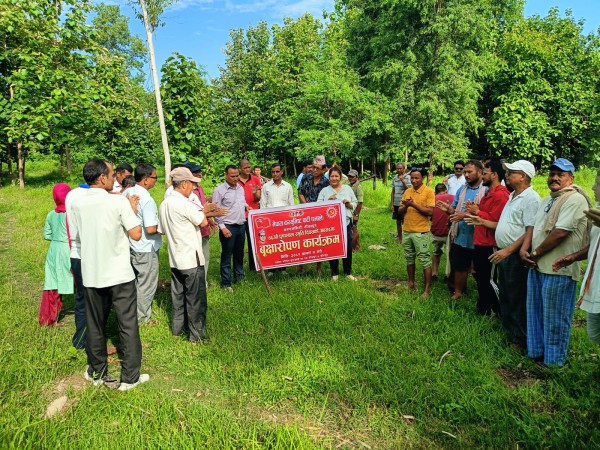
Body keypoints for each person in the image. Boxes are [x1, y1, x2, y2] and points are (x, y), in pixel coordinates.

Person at [70, 158, 148, 391]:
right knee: (127, 324)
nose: (115, 179)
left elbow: (77, 236)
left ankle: (97, 372)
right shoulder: (119, 202)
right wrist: (132, 212)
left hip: (92, 271)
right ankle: (130, 377)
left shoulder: (77, 204)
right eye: (113, 175)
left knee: (95, 323)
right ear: (102, 178)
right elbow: (135, 234)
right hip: (119, 273)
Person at [520, 158, 591, 367]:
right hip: (539, 266)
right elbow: (535, 228)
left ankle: (553, 363)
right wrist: (526, 251)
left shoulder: (574, 199)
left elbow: (561, 232)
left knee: (556, 319)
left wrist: (534, 254)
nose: (555, 178)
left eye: (561, 174)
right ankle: (537, 353)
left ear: (571, 178)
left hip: (558, 269)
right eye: (552, 174)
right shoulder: (548, 199)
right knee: (537, 314)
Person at [488, 160, 541, 350]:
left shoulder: (531, 199)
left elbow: (530, 230)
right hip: (504, 253)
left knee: (517, 296)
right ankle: (509, 330)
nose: (507, 174)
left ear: (523, 176)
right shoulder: (513, 195)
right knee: (507, 293)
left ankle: (520, 338)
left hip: (513, 255)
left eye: (512, 172)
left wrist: (509, 250)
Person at [159, 168, 209, 343]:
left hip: (175, 258)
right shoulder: (184, 204)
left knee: (178, 297)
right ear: (185, 184)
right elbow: (202, 221)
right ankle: (197, 336)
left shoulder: (164, 203)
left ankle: (177, 329)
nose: (193, 189)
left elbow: (162, 230)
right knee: (196, 299)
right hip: (190, 258)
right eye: (192, 185)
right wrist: (206, 210)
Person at [552, 176, 599, 344]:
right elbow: (594, 245)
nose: (593, 188)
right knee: (595, 336)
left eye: (597, 184)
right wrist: (573, 257)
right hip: (595, 282)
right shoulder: (597, 210)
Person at [464, 158, 510, 315]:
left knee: (489, 280)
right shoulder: (489, 193)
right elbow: (484, 213)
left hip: (490, 243)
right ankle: (483, 309)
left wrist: (477, 212)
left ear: (495, 175)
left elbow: (497, 221)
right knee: (481, 278)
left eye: (485, 173)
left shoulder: (502, 195)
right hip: (480, 241)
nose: (482, 176)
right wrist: (474, 209)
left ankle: (501, 313)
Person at [436, 160, 485, 300]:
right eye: (465, 172)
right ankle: (458, 291)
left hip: (478, 237)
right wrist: (448, 210)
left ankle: (484, 292)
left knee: (479, 268)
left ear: (480, 172)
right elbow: (454, 211)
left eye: (470, 172)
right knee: (459, 265)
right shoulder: (462, 189)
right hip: (461, 235)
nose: (466, 175)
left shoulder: (485, 190)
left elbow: (486, 214)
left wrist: (466, 215)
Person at [122, 163, 162, 325]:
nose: (155, 181)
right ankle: (142, 318)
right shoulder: (147, 199)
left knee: (135, 282)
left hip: (130, 245)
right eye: (154, 178)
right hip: (146, 247)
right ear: (146, 180)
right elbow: (151, 228)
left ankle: (133, 312)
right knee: (146, 284)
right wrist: (167, 228)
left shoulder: (127, 192)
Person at [398, 168, 435, 298]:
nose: (413, 180)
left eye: (416, 178)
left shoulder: (429, 192)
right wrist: (406, 206)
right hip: (407, 230)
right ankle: (411, 283)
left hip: (421, 232)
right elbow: (400, 211)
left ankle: (426, 290)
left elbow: (430, 212)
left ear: (423, 178)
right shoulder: (408, 191)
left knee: (425, 260)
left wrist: (413, 204)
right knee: (409, 258)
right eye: (412, 178)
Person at [39, 183, 73, 326]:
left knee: (52, 285)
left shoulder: (51, 214)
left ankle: (48, 318)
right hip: (67, 249)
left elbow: (46, 235)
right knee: (76, 279)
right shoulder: (71, 214)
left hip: (53, 249)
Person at [317, 167, 358, 281]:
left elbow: (354, 203)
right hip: (330, 226)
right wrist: (328, 202)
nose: (334, 178)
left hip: (346, 223)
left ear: (340, 177)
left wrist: (348, 204)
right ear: (328, 177)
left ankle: (347, 272)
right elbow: (318, 207)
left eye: (336, 176)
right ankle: (334, 273)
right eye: (332, 176)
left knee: (347, 248)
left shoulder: (347, 189)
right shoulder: (325, 191)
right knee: (333, 247)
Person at [213, 165, 248, 291]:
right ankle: (226, 283)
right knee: (227, 255)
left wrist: (247, 206)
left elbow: (242, 201)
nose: (235, 178)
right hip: (228, 226)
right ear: (226, 175)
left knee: (239, 254)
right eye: (232, 176)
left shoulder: (240, 188)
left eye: (237, 175)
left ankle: (240, 278)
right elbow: (216, 211)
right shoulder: (219, 191)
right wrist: (223, 227)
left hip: (240, 225)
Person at [65, 181, 90, 349]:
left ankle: (80, 339)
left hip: (75, 251)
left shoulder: (72, 194)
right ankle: (89, 340)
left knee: (81, 298)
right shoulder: (89, 197)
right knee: (93, 300)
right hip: (89, 254)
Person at [298, 161, 330, 275]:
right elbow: (300, 192)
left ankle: (318, 267)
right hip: (305, 213)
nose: (314, 170)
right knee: (302, 239)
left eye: (317, 168)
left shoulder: (326, 182)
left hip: (319, 215)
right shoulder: (306, 177)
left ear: (324, 170)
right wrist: (306, 205)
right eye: (314, 168)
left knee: (318, 240)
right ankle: (301, 267)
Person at [238, 159, 262, 272]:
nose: (248, 170)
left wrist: (255, 193)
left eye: (249, 167)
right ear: (240, 169)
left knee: (253, 242)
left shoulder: (255, 179)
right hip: (239, 216)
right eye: (245, 168)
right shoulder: (235, 180)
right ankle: (239, 268)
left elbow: (258, 199)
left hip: (253, 215)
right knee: (239, 243)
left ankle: (254, 267)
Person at [431, 183, 454, 281]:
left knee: (436, 252)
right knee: (451, 254)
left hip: (436, 231)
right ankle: (448, 274)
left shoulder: (432, 199)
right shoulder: (453, 197)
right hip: (448, 231)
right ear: (446, 190)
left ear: (435, 192)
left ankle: (434, 272)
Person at [390, 163, 411, 242]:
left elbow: (408, 190)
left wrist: (403, 181)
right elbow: (393, 191)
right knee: (398, 222)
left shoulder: (408, 177)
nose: (399, 170)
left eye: (400, 168)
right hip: (396, 203)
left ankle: (407, 238)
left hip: (404, 203)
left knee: (406, 221)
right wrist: (392, 204)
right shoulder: (395, 178)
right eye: (397, 168)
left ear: (404, 168)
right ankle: (400, 239)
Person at [348, 169, 363, 252]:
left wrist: (356, 214)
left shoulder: (358, 187)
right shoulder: (349, 186)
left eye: (352, 177)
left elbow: (360, 203)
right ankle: (357, 246)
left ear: (357, 177)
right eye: (349, 176)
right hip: (349, 211)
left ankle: (352, 247)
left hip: (354, 212)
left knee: (354, 229)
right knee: (352, 228)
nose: (350, 178)